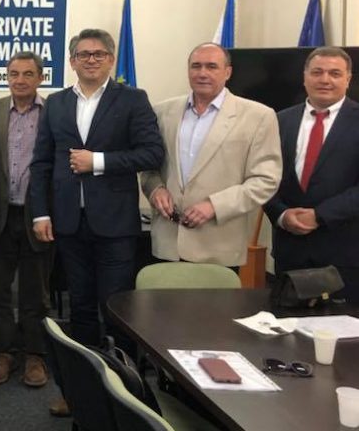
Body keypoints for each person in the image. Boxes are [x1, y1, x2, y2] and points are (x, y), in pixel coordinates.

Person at [29, 28, 163, 352]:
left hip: (115, 224)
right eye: (83, 54)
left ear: (111, 59)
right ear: (72, 61)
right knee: (80, 304)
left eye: (98, 54)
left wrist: (98, 161)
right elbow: (42, 162)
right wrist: (41, 213)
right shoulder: (56, 103)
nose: (91, 60)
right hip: (69, 222)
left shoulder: (133, 99)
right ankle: (86, 377)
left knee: (116, 305)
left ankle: (124, 377)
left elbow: (152, 153)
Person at [142, 43, 281, 267]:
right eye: (196, 66)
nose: (202, 73)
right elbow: (149, 165)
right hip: (168, 243)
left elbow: (266, 180)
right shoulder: (162, 112)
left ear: (228, 72)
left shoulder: (259, 116)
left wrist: (215, 206)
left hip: (218, 245)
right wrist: (155, 189)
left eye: (212, 66)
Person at [0, 51, 52, 388]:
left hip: (39, 216)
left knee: (36, 292)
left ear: (40, 78)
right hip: (0, 216)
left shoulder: (54, 113)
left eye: (28, 74)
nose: (20, 80)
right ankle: (3, 352)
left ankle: (35, 355)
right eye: (14, 74)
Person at [264, 46, 359, 301]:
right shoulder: (278, 121)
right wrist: (281, 214)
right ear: (304, 77)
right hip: (290, 253)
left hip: (345, 257)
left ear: (348, 79)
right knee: (286, 324)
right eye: (317, 72)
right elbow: (263, 177)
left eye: (335, 73)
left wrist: (319, 216)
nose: (325, 79)